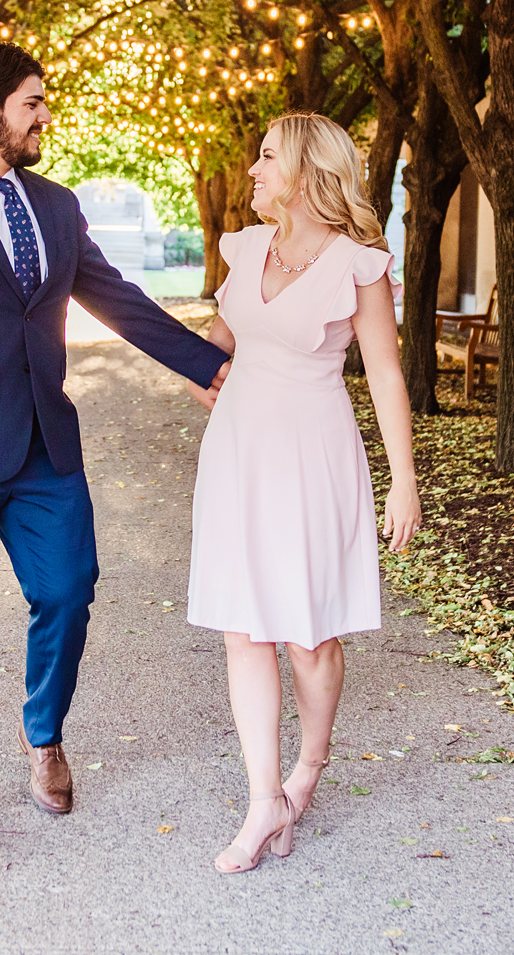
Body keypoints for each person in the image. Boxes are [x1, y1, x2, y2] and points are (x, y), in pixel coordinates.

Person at [0, 42, 231, 861]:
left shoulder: (55, 206)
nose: (45, 116)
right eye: (32, 102)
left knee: (68, 591)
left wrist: (210, 365)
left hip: (43, 450)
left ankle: (44, 736)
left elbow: (116, 297)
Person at [186, 111, 423, 873]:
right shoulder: (246, 247)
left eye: (265, 158)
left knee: (308, 636)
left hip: (313, 457)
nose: (250, 171)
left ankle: (307, 771)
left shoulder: (358, 264)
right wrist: (198, 366)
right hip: (237, 454)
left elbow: (385, 374)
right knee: (241, 625)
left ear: (306, 172)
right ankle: (263, 798)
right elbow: (219, 342)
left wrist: (404, 481)